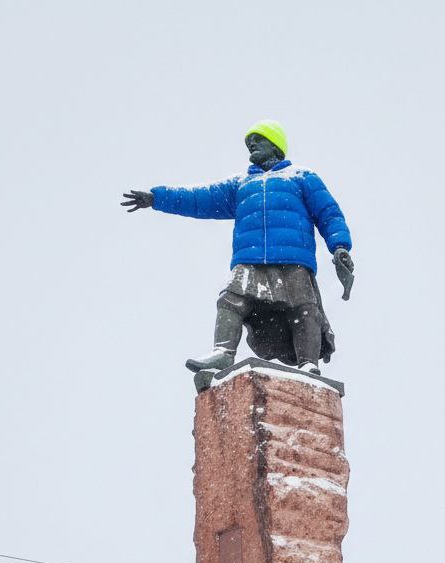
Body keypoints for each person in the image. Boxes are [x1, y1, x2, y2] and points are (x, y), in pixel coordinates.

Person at [121, 120, 354, 376]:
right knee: (230, 300)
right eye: (248, 142)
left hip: (293, 257)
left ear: (275, 144)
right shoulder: (242, 183)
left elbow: (329, 213)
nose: (251, 144)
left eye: (258, 139)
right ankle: (223, 353)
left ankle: (308, 363)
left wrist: (340, 246)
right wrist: (157, 198)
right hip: (249, 257)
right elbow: (199, 198)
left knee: (302, 308)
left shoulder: (301, 177)